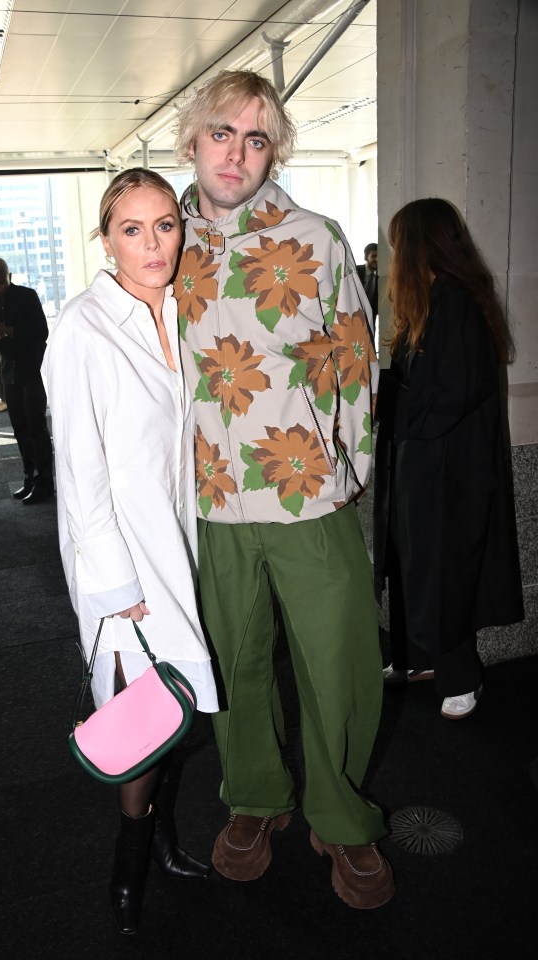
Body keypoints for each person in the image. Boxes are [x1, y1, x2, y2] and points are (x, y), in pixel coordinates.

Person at [173, 69, 394, 910]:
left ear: (274, 153)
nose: (237, 152)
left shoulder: (316, 236)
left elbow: (357, 361)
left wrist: (348, 474)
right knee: (230, 666)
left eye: (256, 138)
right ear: (193, 140)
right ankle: (255, 799)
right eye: (222, 133)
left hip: (306, 497)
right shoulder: (168, 245)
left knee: (339, 664)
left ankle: (340, 816)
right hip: (211, 498)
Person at [42, 169, 219, 935]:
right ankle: (131, 859)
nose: (153, 245)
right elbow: (78, 469)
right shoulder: (83, 325)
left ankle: (166, 839)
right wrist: (114, 583)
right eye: (132, 229)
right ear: (106, 239)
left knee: (177, 702)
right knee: (142, 716)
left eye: (166, 225)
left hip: (182, 541)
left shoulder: (186, 309)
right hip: (122, 558)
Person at [373, 198, 524, 719]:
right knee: (410, 561)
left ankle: (462, 675)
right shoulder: (433, 300)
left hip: (449, 467)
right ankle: (417, 658)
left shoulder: (455, 300)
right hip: (422, 460)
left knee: (442, 566)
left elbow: (457, 391)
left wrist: (400, 410)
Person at [0, 258, 54, 504]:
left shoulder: (27, 296)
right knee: (20, 429)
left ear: (9, 276)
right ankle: (29, 479)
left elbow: (42, 332)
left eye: (0, 282)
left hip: (31, 369)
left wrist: (11, 331)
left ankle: (45, 483)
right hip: (8, 374)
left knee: (36, 427)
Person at [357, 242, 379, 320]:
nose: (377, 259)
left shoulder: (381, 277)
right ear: (366, 257)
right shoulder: (355, 271)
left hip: (371, 319)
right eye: (373, 256)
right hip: (354, 316)